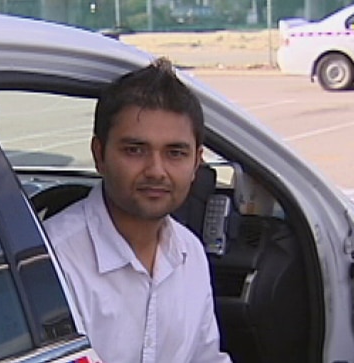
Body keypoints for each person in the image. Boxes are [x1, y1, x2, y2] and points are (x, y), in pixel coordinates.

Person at [44, 57, 232, 363]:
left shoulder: (190, 253)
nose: (156, 170)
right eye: (135, 150)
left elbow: (206, 358)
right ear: (99, 155)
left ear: (197, 162)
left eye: (175, 153)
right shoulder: (55, 261)